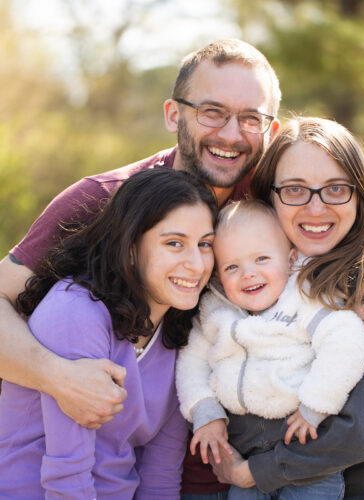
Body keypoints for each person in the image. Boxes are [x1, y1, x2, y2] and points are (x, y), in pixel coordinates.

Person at [0, 38, 364, 498]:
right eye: (212, 112)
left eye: (251, 118)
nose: (231, 134)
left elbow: (363, 193)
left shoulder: (275, 189)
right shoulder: (106, 201)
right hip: (158, 465)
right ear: (174, 114)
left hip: (267, 460)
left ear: (269, 129)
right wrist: (56, 376)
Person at [208, 117, 364, 499]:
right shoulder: (250, 271)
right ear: (269, 197)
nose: (316, 208)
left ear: (361, 194)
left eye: (336, 189)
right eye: (295, 190)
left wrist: (258, 471)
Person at [0, 167, 218, 499]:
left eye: (205, 244)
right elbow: (66, 478)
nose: (197, 264)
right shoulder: (76, 313)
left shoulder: (178, 327)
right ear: (131, 247)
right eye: (174, 243)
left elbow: (160, 473)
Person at [176, 199, 364, 500]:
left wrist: (316, 405)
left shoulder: (306, 300)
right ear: (217, 276)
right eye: (232, 266)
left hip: (305, 446)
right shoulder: (216, 313)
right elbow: (192, 361)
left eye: (262, 259)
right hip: (245, 455)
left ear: (291, 258)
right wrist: (205, 410)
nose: (248, 274)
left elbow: (348, 342)